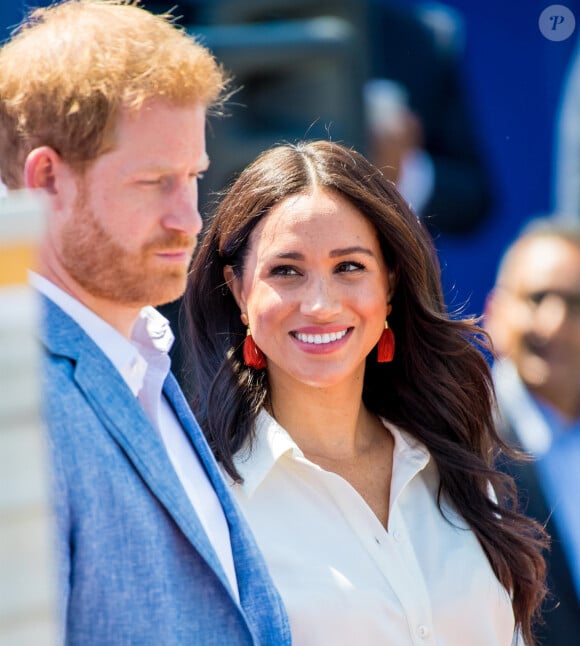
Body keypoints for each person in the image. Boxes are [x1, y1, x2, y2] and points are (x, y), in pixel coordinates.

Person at [0, 2, 291, 644]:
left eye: (192, 177)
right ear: (46, 178)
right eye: (154, 181)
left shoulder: (143, 359)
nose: (189, 218)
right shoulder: (14, 393)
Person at [183, 139, 548, 645]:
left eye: (349, 267)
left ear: (391, 284)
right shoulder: (208, 499)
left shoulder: (454, 463)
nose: (321, 304)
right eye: (286, 271)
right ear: (240, 290)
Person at [484, 218, 580, 645]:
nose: (554, 322)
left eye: (575, 304)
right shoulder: (458, 441)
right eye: (538, 298)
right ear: (495, 312)